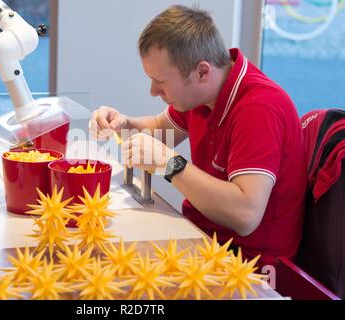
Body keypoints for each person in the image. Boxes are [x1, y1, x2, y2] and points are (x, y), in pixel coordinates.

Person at [89, 5, 307, 267]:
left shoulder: (259, 108)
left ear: (202, 72)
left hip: (247, 266)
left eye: (161, 81)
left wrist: (170, 164)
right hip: (205, 238)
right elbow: (160, 130)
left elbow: (245, 214)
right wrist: (122, 123)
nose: (152, 91)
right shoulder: (204, 94)